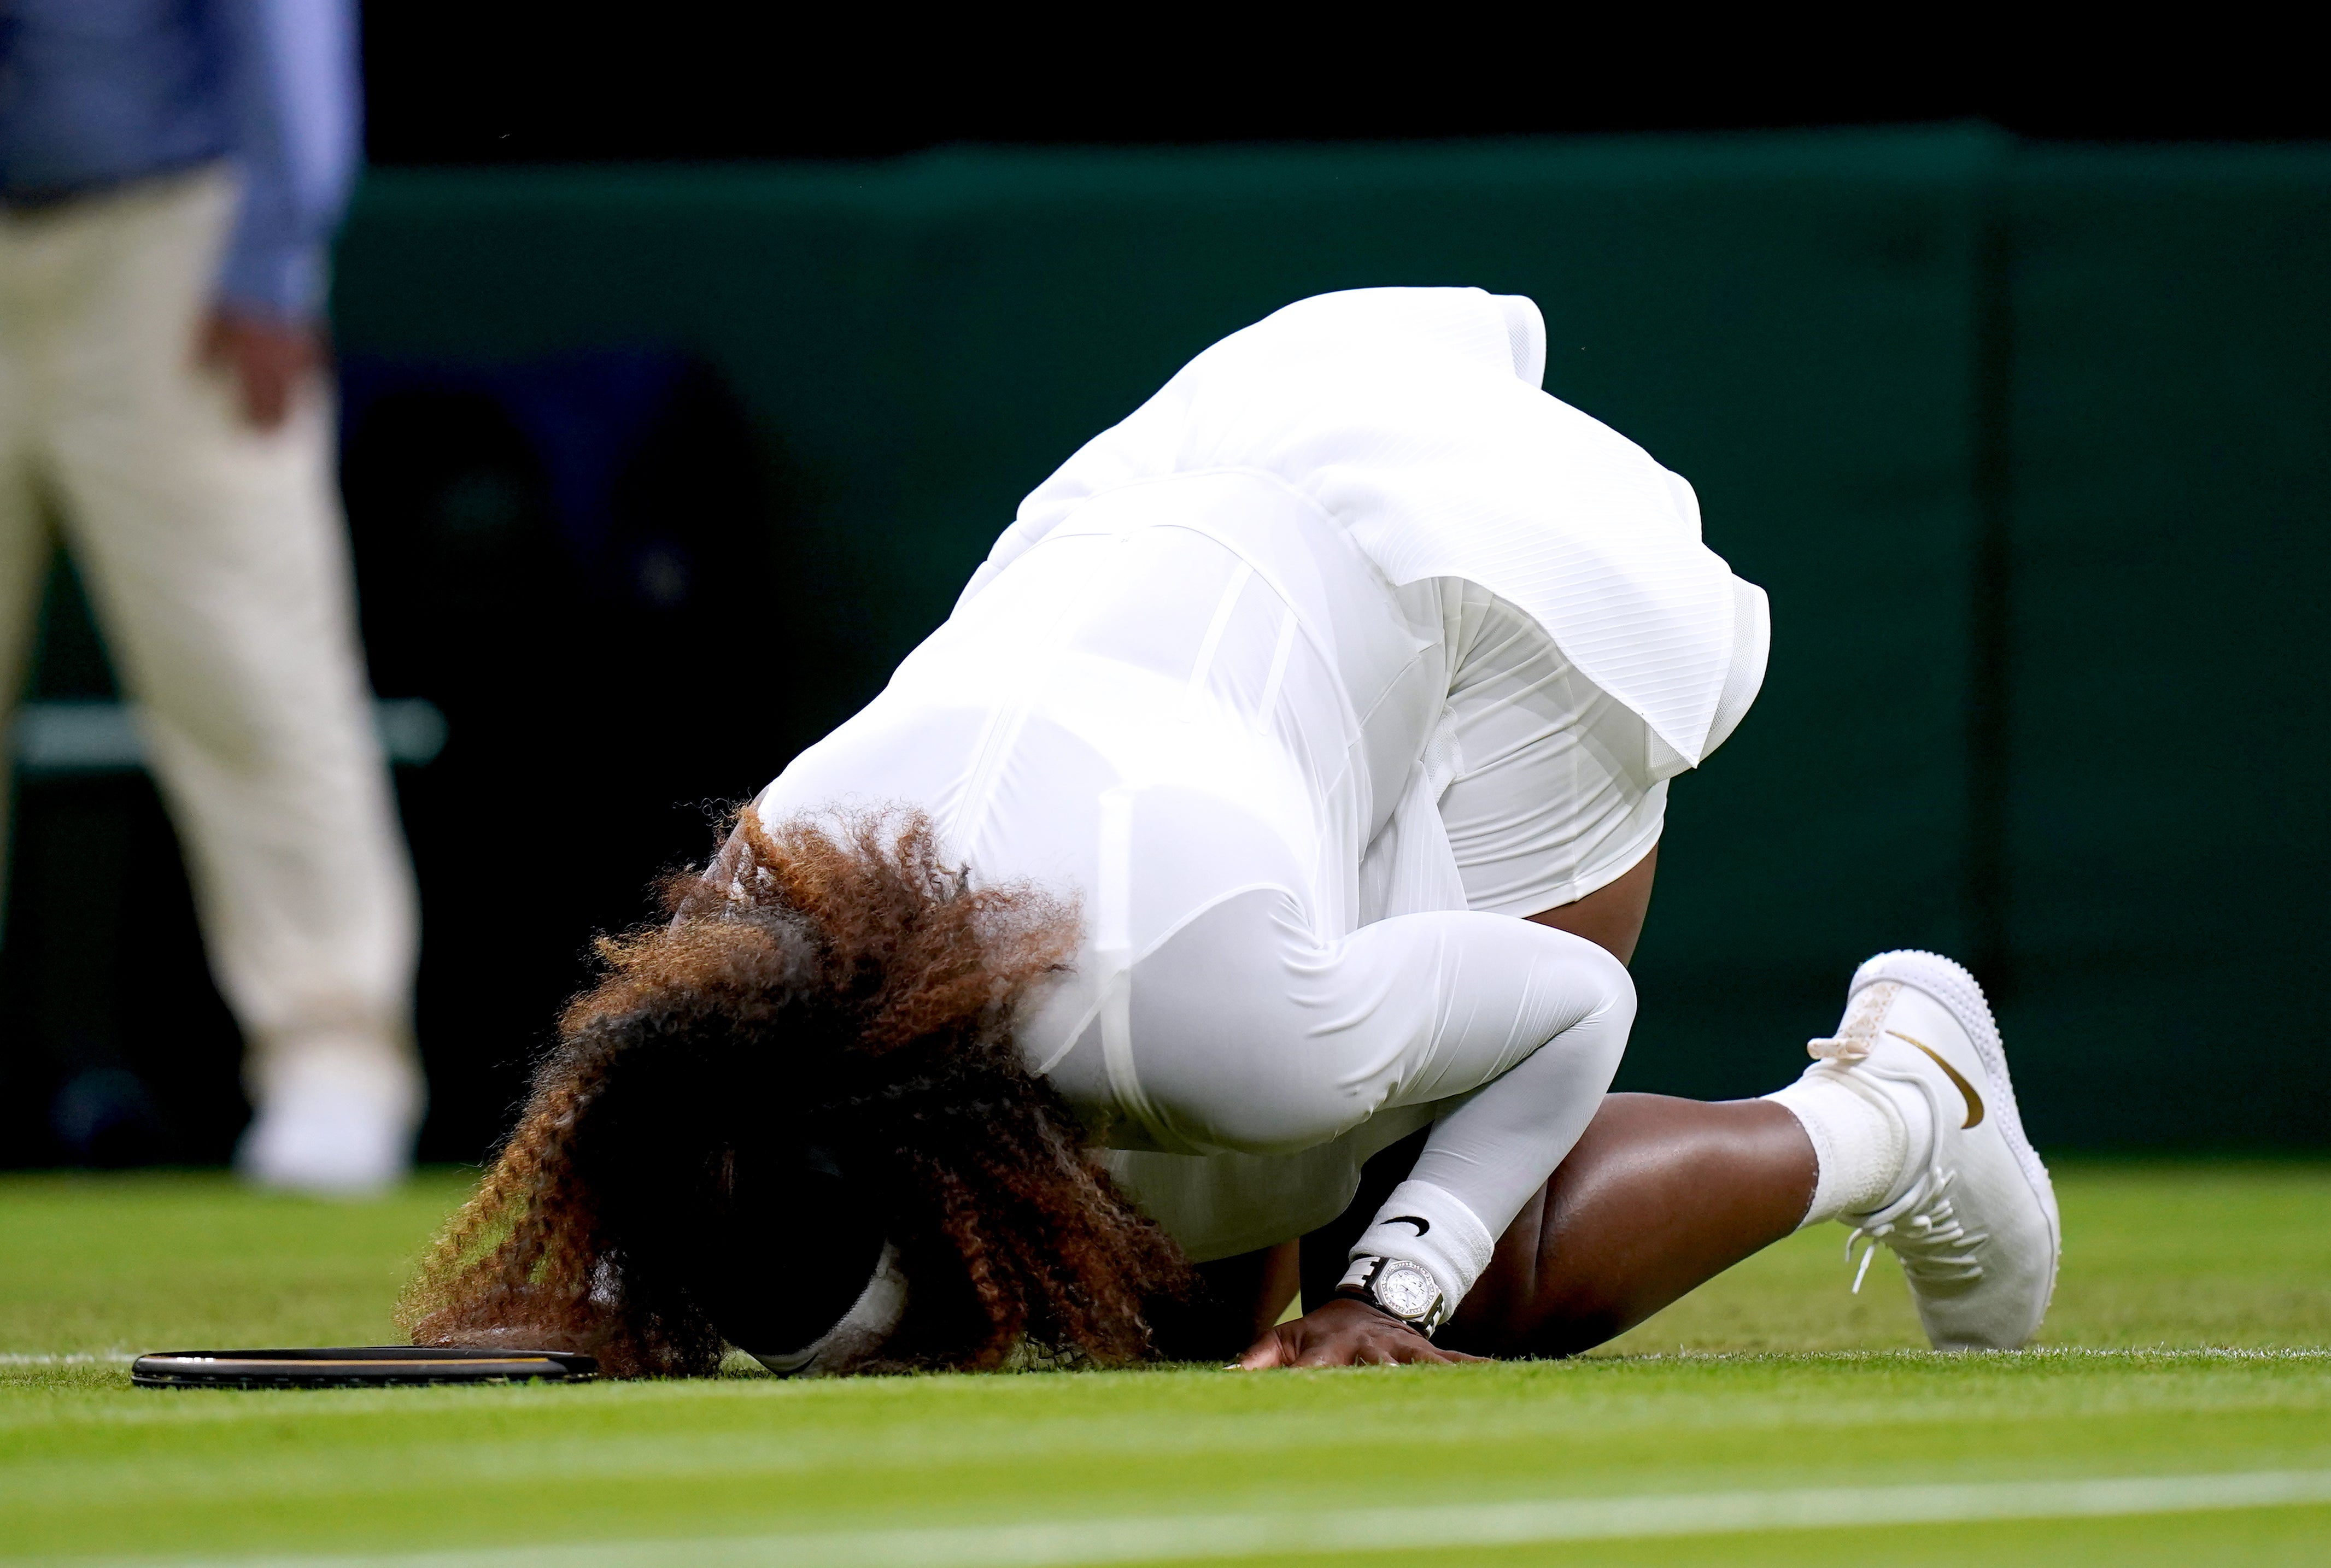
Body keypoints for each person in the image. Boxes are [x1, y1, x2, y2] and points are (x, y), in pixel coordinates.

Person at [402, 288, 2059, 1373]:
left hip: (1466, 557)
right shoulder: (746, 954)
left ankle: (1907, 1099)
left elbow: (1574, 1010)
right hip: (1179, 543)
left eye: (920, 1313)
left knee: (1489, 1263)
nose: (928, 1370)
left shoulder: (1210, 1011)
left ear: (942, 1145)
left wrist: (1385, 1292)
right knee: (1167, 1326)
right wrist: (606, 1290)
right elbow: (655, 1120)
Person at [0, 1, 421, 1190]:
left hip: (169, 249)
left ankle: (333, 1057)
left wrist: (272, 262)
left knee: (248, 677)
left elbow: (285, 27)